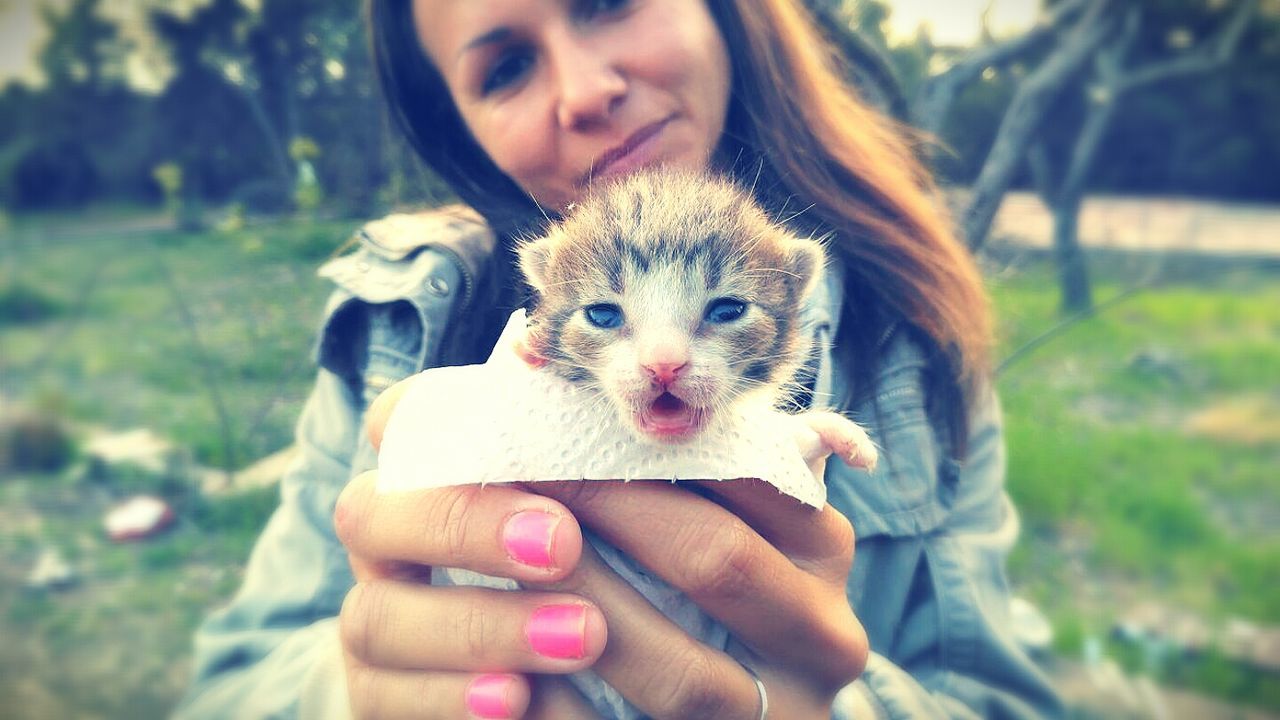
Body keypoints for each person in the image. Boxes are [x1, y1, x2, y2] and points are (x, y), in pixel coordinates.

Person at [176, 1, 1063, 718]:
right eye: (505, 67)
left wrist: (841, 707)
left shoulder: (916, 342)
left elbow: (1001, 698)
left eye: (607, 2)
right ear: (461, 130)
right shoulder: (394, 330)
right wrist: (358, 688)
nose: (584, 91)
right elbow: (231, 682)